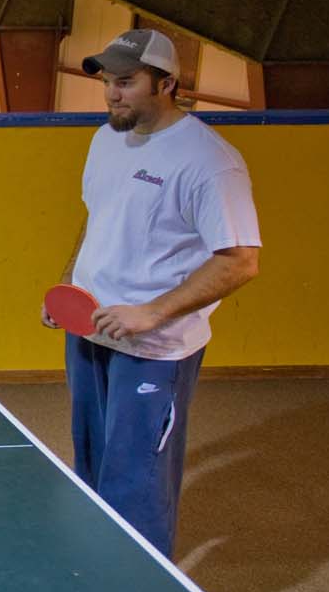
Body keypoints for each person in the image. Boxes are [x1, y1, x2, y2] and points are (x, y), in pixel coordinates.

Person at [44, 29, 260, 557]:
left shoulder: (209, 161)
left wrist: (151, 314)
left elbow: (240, 262)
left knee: (135, 479)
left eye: (126, 82)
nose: (112, 94)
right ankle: (95, 572)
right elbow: (98, 219)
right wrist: (71, 284)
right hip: (91, 330)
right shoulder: (106, 138)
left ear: (166, 83)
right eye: (108, 84)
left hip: (153, 348)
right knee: (91, 464)